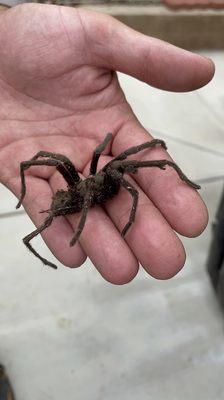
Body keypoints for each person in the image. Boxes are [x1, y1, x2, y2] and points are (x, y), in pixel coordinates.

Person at [0, 3, 215, 285]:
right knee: (57, 162)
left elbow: (117, 169)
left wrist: (141, 146)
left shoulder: (106, 177)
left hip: (81, 190)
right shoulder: (85, 192)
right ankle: (58, 236)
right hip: (77, 194)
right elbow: (43, 159)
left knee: (115, 163)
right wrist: (84, 226)